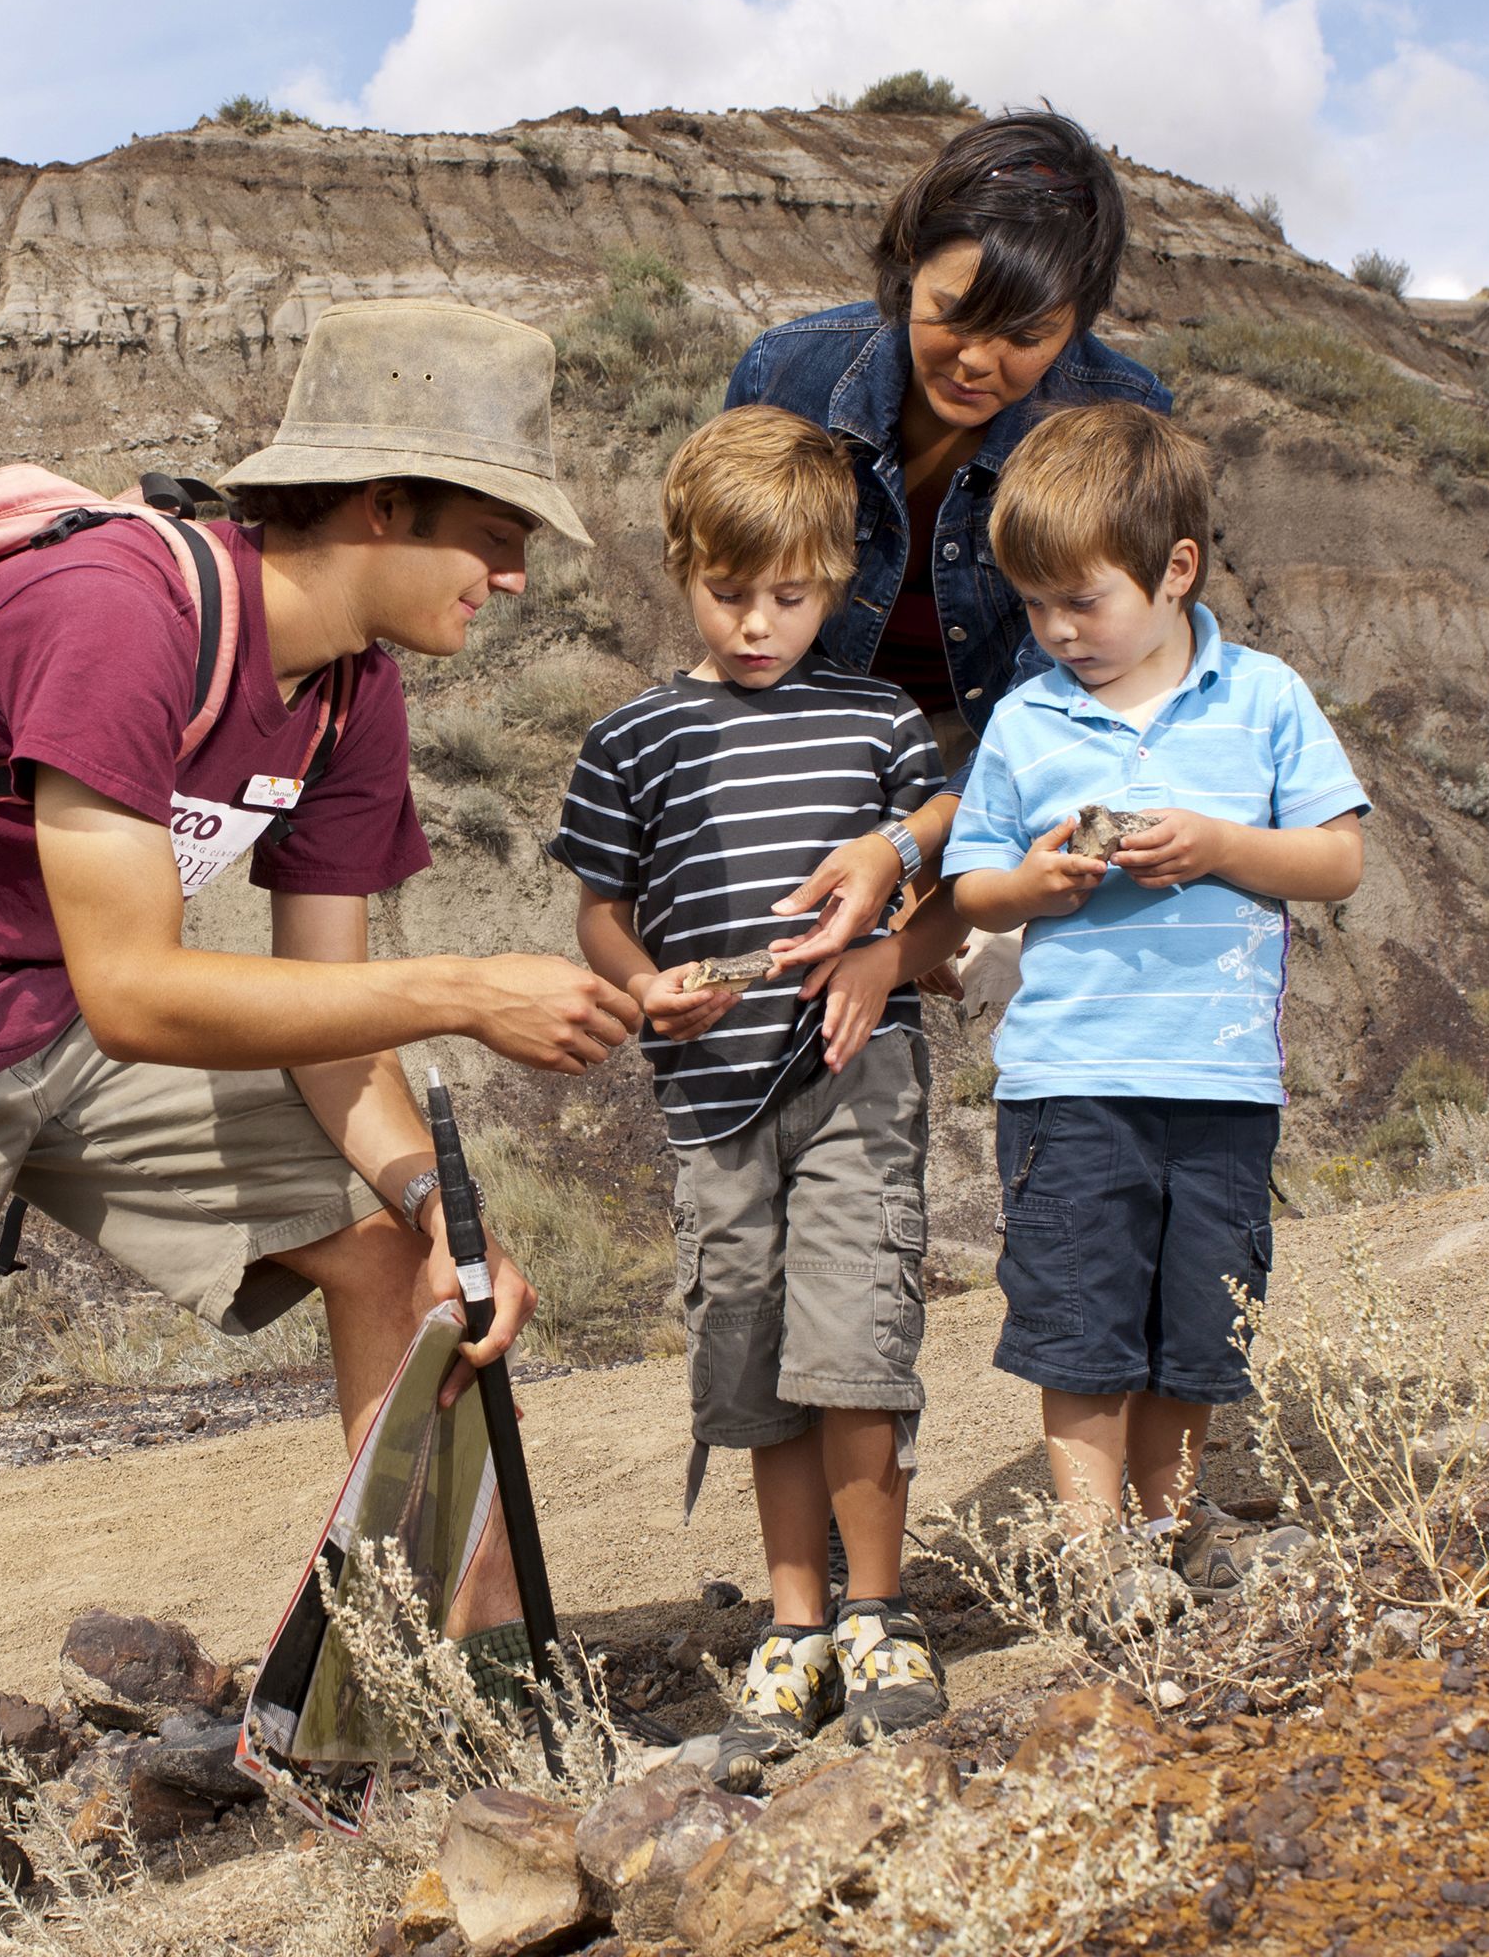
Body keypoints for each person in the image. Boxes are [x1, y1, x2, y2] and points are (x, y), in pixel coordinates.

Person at [0, 300, 642, 1955]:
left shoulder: (350, 697)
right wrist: (470, 987)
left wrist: (437, 1207)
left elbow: (325, 1028)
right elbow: (143, 989)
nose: (511, 580)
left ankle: (452, 1725)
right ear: (378, 507)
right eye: (494, 538)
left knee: (397, 1266)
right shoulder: (117, 614)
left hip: (57, 1018)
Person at [546, 406, 966, 1789]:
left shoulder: (877, 724)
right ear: (682, 567)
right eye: (729, 594)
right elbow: (602, 915)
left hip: (856, 1080)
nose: (755, 624)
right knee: (754, 1360)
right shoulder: (632, 740)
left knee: (854, 1340)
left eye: (787, 596)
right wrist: (646, 986)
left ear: (836, 580)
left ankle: (876, 1612)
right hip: (711, 1103)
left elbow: (944, 892)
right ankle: (794, 1625)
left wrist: (888, 950)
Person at [939, 403, 1367, 1553]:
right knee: (1078, 1320)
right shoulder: (1026, 719)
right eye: (1033, 605)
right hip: (1068, 1079)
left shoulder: (1264, 695)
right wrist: (1029, 887)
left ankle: (1169, 1524)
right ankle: (1093, 1552)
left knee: (1197, 1327)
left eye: (1082, 600)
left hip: (1222, 1081)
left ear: (1175, 569)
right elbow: (969, 887)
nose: (1055, 631)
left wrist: (1217, 844)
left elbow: (1337, 859)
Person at [721, 108, 1174, 985]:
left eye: (1026, 336)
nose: (975, 359)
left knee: (996, 956)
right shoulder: (788, 374)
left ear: (1076, 324)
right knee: (779, 950)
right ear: (907, 269)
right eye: (953, 313)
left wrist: (923, 847)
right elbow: (735, 587)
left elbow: (1091, 688)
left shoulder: (1120, 419)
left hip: (1016, 735)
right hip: (825, 716)